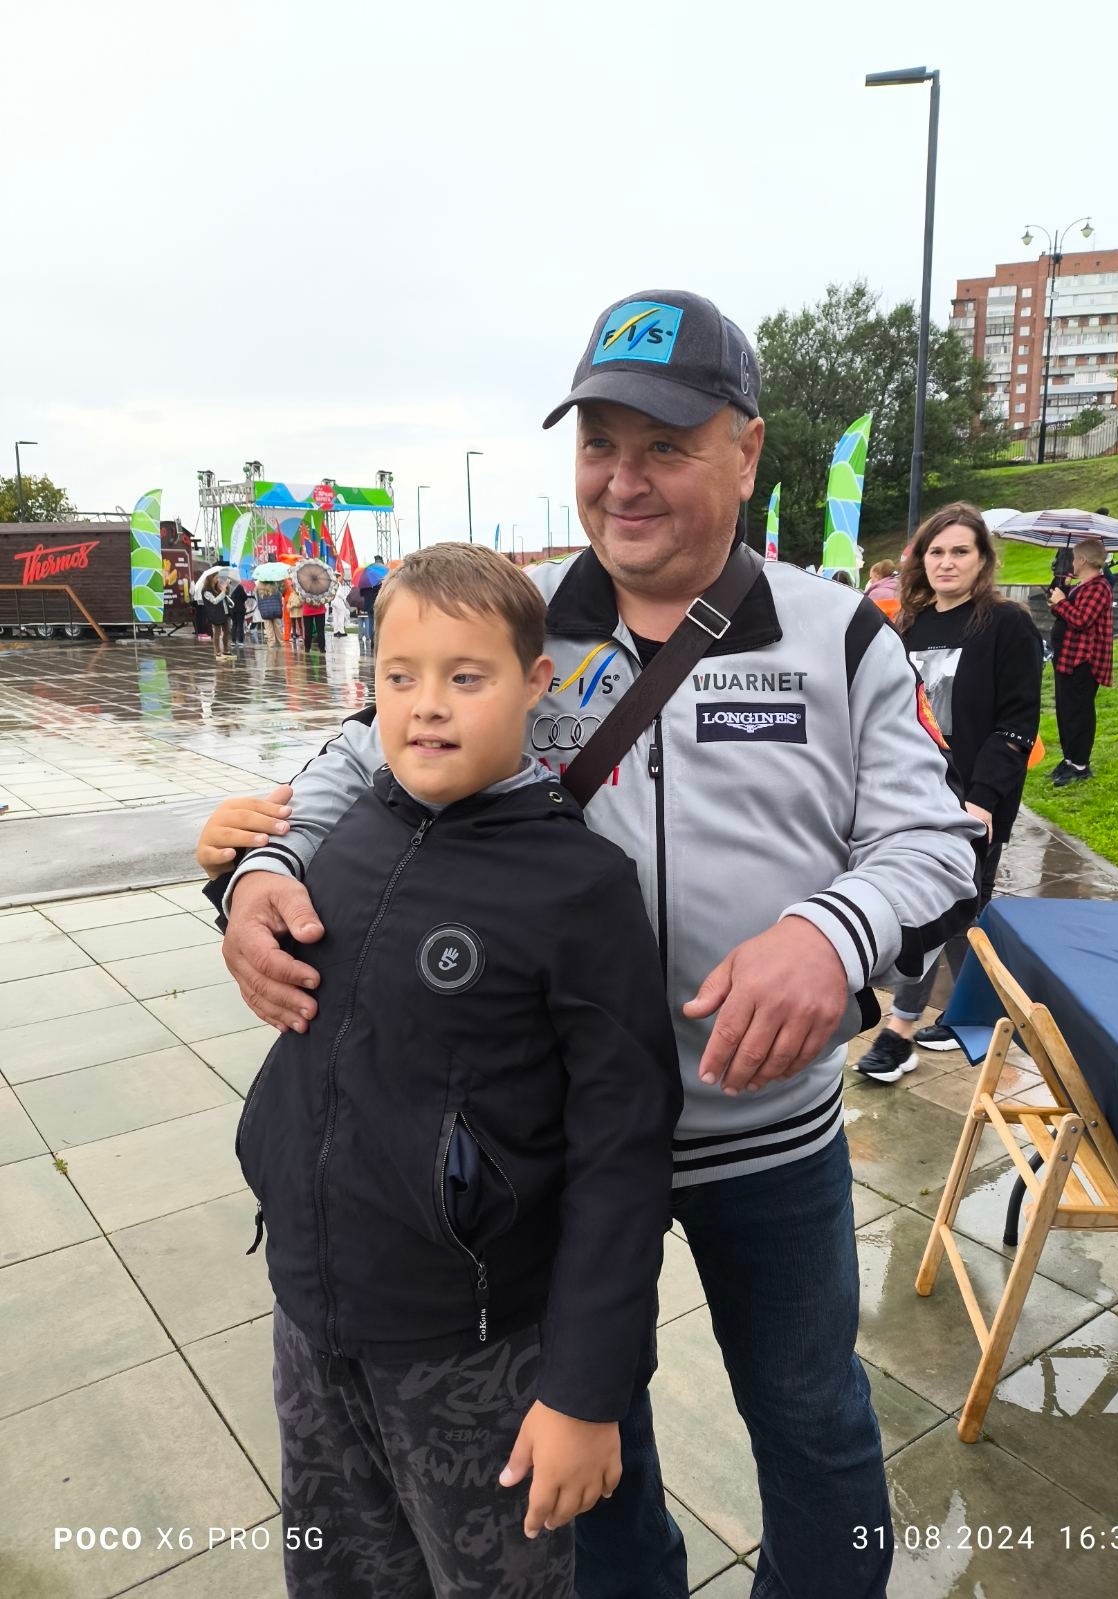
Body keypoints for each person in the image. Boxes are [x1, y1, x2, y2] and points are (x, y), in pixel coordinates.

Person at [196, 288, 982, 1599]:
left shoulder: (840, 632)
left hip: (765, 1136)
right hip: (543, 1144)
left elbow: (936, 844)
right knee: (586, 1443)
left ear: (746, 449)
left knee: (812, 1418)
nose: (624, 479)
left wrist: (827, 933)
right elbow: (354, 758)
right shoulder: (521, 622)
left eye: (666, 444)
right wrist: (261, 871)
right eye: (600, 443)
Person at [236, 544, 680, 1597]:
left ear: (534, 683)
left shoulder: (578, 887)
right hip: (311, 1311)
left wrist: (586, 1393)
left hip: (472, 1349)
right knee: (339, 1571)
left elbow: (622, 1159)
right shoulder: (347, 829)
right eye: (400, 676)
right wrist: (241, 869)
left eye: (465, 676)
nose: (427, 704)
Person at [855, 504, 1043, 1078]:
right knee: (962, 916)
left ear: (983, 559)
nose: (946, 562)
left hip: (974, 798)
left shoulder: (1006, 624)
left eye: (961, 551)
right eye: (936, 551)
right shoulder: (907, 627)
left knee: (939, 905)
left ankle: (900, 1030)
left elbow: (1017, 725)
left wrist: (981, 798)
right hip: (910, 791)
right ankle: (995, 1016)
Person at [1048, 536, 1113, 785]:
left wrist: (1063, 602)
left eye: (1075, 558)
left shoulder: (1099, 587)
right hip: (1068, 658)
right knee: (1065, 712)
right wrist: (1060, 596)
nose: (1073, 563)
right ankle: (1068, 759)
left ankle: (1080, 765)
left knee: (1079, 713)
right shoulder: (1082, 586)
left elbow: (1081, 620)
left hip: (1083, 662)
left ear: (1083, 560)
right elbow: (1065, 614)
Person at [201, 574, 234, 661]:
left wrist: (226, 587)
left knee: (227, 631)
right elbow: (215, 601)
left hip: (224, 612)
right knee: (217, 632)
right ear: (211, 578)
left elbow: (226, 595)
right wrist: (223, 592)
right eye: (216, 577)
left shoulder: (217, 587)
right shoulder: (206, 590)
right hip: (215, 613)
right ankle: (217, 651)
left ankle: (226, 650)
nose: (217, 579)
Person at [300, 588, 327, 654]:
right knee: (320, 631)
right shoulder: (321, 586)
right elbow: (325, 597)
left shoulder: (304, 586)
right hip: (320, 610)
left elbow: (301, 598)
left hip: (307, 610)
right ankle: (322, 648)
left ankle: (307, 648)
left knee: (308, 630)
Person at [285, 581, 305, 646]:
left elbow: (300, 603)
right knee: (293, 624)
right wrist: (289, 606)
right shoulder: (291, 594)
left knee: (299, 624)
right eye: (292, 587)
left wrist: (293, 605)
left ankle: (301, 635)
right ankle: (294, 635)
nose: (293, 588)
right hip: (292, 612)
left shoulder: (299, 594)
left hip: (298, 612)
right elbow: (288, 603)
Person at [229, 578, 248, 646]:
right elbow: (245, 597)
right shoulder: (239, 587)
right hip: (240, 609)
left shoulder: (230, 587)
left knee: (234, 624)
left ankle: (233, 641)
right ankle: (240, 641)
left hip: (232, 609)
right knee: (240, 625)